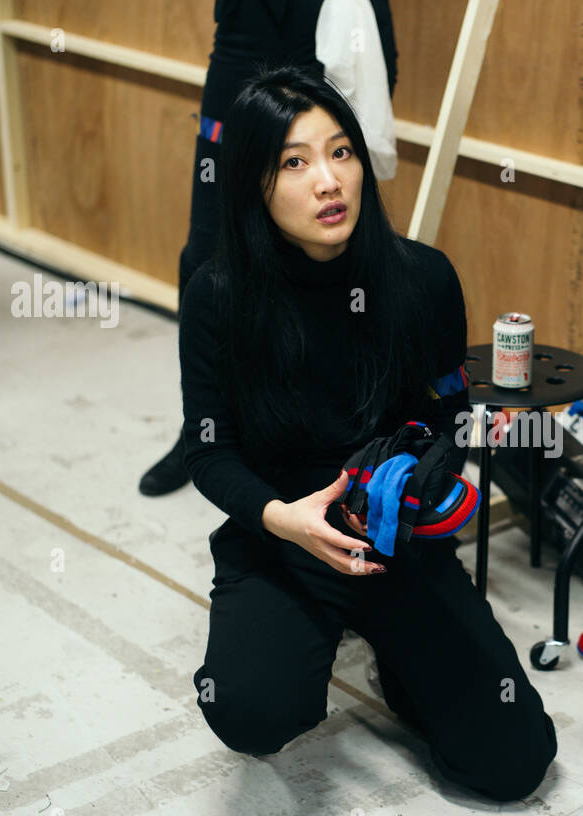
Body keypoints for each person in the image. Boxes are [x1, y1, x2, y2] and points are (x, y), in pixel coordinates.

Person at [180, 65, 557, 802]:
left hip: (395, 541)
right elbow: (208, 449)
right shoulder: (218, 295)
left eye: (341, 152)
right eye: (295, 161)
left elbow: (448, 413)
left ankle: (402, 660)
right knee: (251, 711)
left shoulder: (422, 279)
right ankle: (297, 643)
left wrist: (444, 461)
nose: (328, 180)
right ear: (256, 182)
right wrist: (281, 518)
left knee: (513, 762)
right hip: (284, 541)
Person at [141, 0, 398, 496]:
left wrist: (380, 68)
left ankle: (321, 426)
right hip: (237, 60)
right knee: (203, 253)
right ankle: (202, 431)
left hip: (318, 62)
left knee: (326, 251)